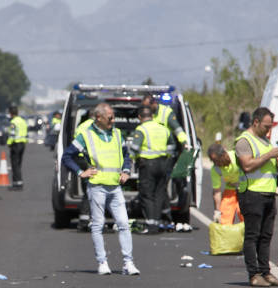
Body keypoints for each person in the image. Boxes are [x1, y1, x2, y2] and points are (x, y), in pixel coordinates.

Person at [61, 102, 140, 275]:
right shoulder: (86, 136)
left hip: (115, 187)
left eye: (113, 117)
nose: (113, 120)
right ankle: (102, 262)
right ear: (98, 118)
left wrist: (126, 171)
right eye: (110, 117)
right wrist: (81, 172)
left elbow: (126, 155)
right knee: (98, 225)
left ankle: (128, 263)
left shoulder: (118, 134)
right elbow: (67, 157)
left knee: (124, 224)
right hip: (97, 187)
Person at [235, 107, 278, 287]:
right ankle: (254, 274)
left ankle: (266, 272)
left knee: (266, 235)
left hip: (268, 194)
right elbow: (248, 166)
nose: (268, 130)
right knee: (252, 236)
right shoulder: (244, 141)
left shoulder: (265, 141)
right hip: (252, 194)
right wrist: (270, 154)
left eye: (270, 126)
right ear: (256, 122)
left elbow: (268, 166)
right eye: (266, 126)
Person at [142, 95, 191, 229]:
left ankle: (164, 216)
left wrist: (185, 143)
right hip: (152, 157)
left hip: (166, 156)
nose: (145, 109)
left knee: (161, 186)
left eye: (147, 106)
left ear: (154, 103)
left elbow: (178, 129)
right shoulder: (148, 115)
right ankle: (161, 216)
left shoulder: (165, 113)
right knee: (157, 188)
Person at [131, 105, 170, 234]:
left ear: (140, 117)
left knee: (147, 194)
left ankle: (151, 224)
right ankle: (157, 223)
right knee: (159, 193)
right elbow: (171, 147)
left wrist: (130, 160)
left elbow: (135, 148)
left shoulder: (141, 129)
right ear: (152, 116)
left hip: (148, 165)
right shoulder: (164, 129)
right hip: (163, 164)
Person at [208, 141, 242, 225]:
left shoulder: (236, 157)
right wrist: (217, 211)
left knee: (245, 215)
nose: (217, 163)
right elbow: (217, 191)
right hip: (231, 189)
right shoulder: (215, 169)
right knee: (224, 218)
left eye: (217, 160)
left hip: (245, 189)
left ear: (223, 154)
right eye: (214, 161)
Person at [7, 105, 27, 190]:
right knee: (18, 164)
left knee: (14, 164)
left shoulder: (13, 122)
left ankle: (18, 183)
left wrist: (9, 143)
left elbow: (12, 134)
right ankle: (17, 182)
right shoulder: (22, 121)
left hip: (16, 144)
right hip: (23, 143)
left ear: (11, 113)